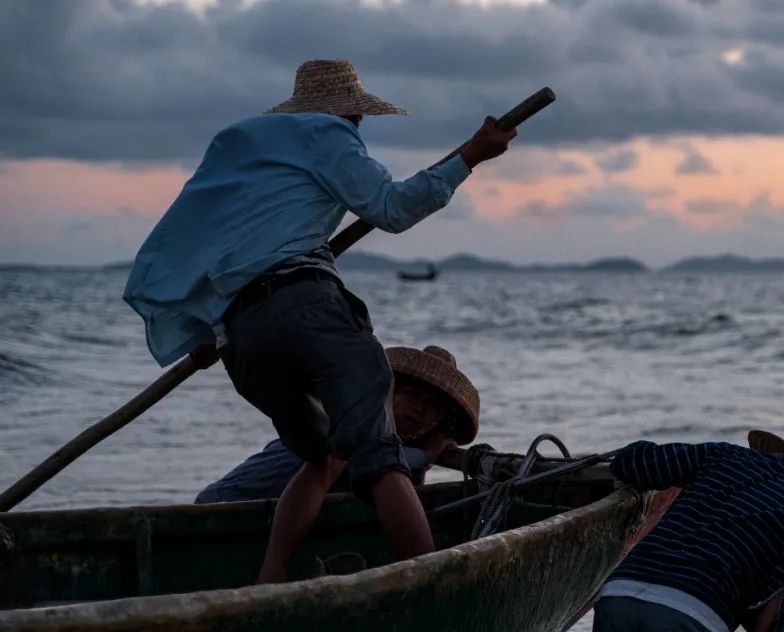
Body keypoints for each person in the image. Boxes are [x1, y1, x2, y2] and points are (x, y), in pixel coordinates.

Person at [123, 59, 514, 583]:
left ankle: (271, 581)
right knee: (378, 457)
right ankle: (438, 585)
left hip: (241, 338)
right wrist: (471, 156)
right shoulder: (328, 132)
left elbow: (204, 249)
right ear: (351, 114)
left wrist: (205, 334)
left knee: (322, 455)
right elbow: (392, 209)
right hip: (305, 306)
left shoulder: (237, 152)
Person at [593, 431, 784, 632]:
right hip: (694, 611)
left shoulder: (727, 455)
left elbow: (636, 464)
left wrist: (637, 449)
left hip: (618, 594)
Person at [195, 345, 479, 503]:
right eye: (413, 394)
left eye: (432, 406)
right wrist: (422, 456)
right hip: (221, 506)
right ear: (388, 390)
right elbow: (376, 465)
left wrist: (423, 463)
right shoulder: (352, 425)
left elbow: (403, 495)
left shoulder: (393, 450)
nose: (420, 408)